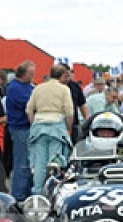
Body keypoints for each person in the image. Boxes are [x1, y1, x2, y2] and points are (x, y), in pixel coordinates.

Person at [26, 64, 73, 195]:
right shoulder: (64, 89)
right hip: (57, 127)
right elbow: (69, 112)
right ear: (62, 75)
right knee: (54, 163)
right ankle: (51, 193)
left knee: (39, 164)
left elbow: (29, 110)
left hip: (39, 126)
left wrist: (34, 124)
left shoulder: (38, 88)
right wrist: (68, 129)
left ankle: (37, 193)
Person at [5, 60, 36, 201]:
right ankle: (19, 195)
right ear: (24, 74)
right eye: (31, 74)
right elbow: (30, 104)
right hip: (20, 128)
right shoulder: (14, 88)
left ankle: (28, 190)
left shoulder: (28, 86)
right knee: (22, 162)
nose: (33, 76)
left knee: (29, 162)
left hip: (27, 128)